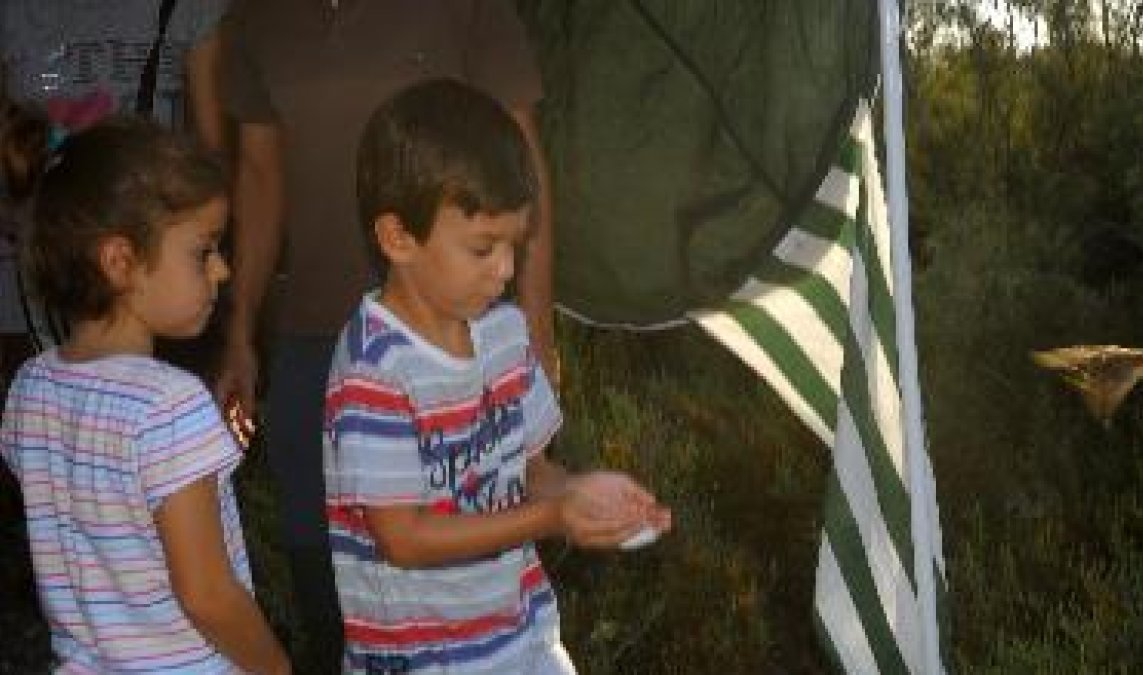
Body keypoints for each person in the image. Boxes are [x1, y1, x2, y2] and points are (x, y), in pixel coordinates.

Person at [217, 2, 557, 667]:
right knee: (333, 586)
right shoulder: (255, 16)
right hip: (314, 339)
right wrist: (241, 329)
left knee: (478, 552)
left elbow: (522, 165)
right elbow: (259, 173)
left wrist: (537, 330)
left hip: (462, 342)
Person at [324, 77, 670, 674]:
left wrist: (582, 495)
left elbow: (533, 472)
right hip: (421, 660)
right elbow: (402, 538)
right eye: (483, 249)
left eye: (515, 245)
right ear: (397, 237)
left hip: (522, 639)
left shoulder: (505, 335)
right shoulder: (375, 372)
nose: (506, 270)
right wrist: (552, 518)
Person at [0, 116, 289, 674]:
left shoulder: (30, 388)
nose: (223, 270)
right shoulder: (169, 406)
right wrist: (275, 668)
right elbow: (206, 595)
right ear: (120, 263)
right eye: (203, 250)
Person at [0, 0, 230, 382]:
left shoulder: (188, 9)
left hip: (156, 273)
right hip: (32, 285)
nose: (222, 270)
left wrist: (202, 252)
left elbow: (212, 158)